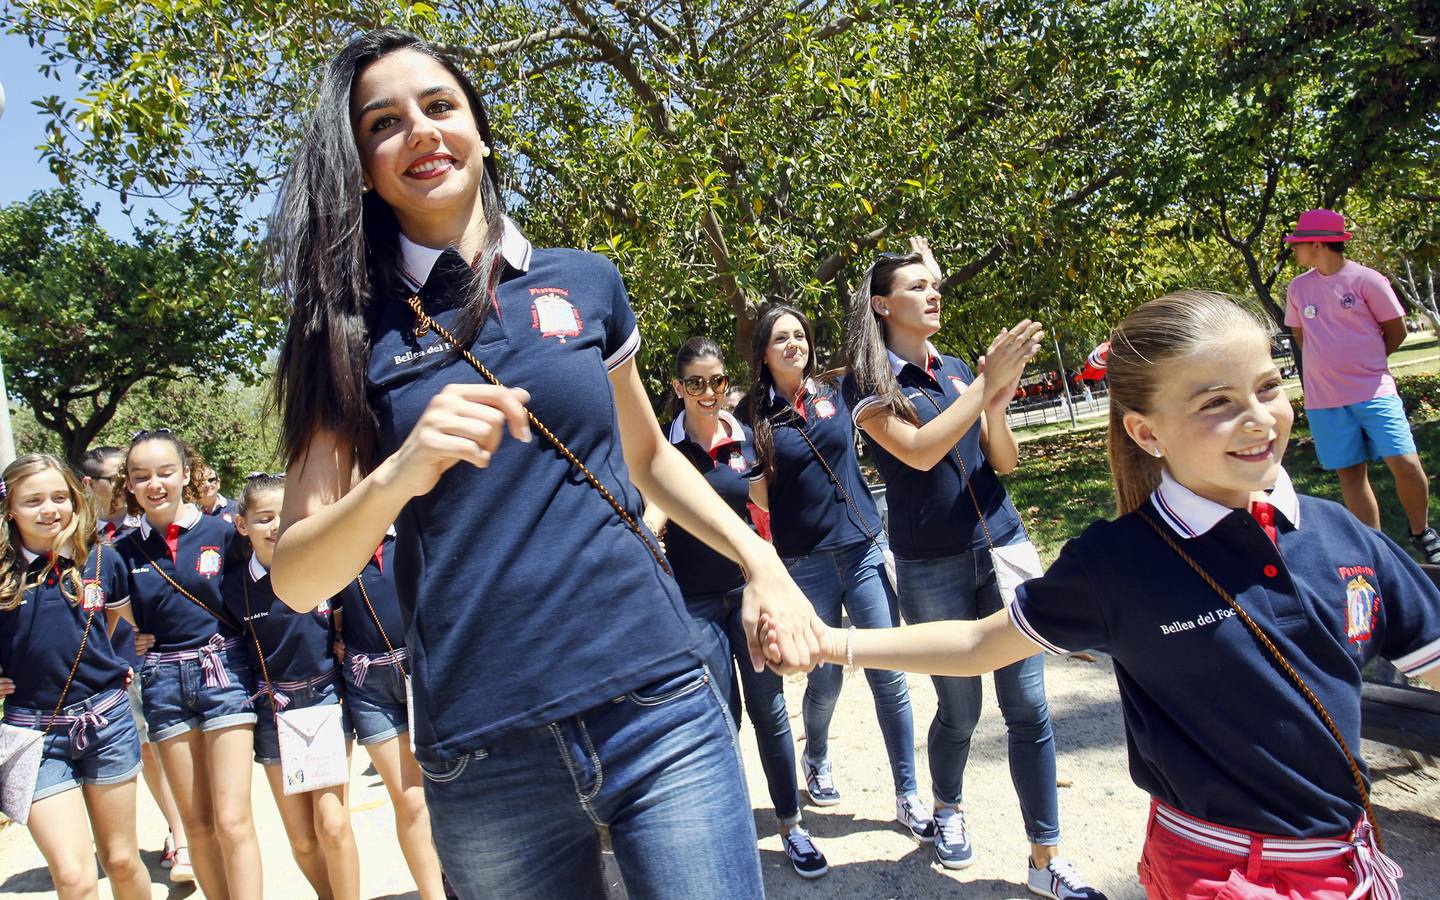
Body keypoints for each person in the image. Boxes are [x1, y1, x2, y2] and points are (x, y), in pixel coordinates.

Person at [265, 28, 821, 899]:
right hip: (482, 750)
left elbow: (648, 457)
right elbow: (298, 576)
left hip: (657, 700)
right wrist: (401, 470)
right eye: (384, 123)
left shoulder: (586, 281)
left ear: (480, 132)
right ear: (362, 164)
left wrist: (763, 564)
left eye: (440, 106)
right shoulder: (342, 333)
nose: (419, 130)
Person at [765, 290, 1440, 899]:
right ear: (1146, 431)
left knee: (1028, 713)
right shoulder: (1118, 562)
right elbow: (976, 641)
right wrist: (831, 643)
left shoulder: (1344, 537)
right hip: (1218, 874)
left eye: (1268, 385)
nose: (1260, 419)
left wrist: (991, 400)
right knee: (973, 713)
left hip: (1353, 865)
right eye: (1218, 403)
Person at [840, 238, 1103, 898]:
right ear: (882, 304)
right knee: (958, 708)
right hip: (931, 564)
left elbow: (1003, 461)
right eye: (917, 286)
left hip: (1002, 546)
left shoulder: (955, 367)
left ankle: (1046, 858)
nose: (934, 293)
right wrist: (988, 382)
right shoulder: (867, 386)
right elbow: (923, 452)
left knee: (1028, 708)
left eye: (936, 284)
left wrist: (994, 405)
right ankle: (948, 810)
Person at [739, 302, 933, 841]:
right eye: (781, 338)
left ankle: (907, 794)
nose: (794, 344)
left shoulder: (839, 392)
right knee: (822, 677)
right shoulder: (751, 416)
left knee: (887, 674)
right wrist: (766, 567)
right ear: (763, 352)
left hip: (863, 547)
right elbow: (757, 502)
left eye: (799, 335)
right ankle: (817, 757)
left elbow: (874, 337)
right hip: (806, 564)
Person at [643, 336, 828, 879]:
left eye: (718, 381)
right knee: (721, 716)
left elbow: (760, 509)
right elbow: (657, 506)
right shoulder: (664, 449)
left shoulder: (745, 438)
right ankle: (728, 827)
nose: (708, 392)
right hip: (695, 601)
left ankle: (793, 826)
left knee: (770, 710)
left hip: (749, 594)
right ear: (678, 388)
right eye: (695, 382)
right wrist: (650, 533)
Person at [111, 430, 264, 900]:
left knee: (233, 819)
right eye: (141, 477)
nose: (154, 484)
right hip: (162, 684)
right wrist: (128, 642)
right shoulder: (119, 551)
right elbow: (117, 624)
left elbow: (255, 595)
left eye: (165, 472)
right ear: (129, 486)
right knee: (196, 825)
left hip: (224, 672)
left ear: (185, 474)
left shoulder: (223, 532)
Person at [0, 454, 150, 900]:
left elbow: (125, 624)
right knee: (73, 877)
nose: (50, 509)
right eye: (34, 501)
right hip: (34, 734)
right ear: (10, 509)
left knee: (121, 861)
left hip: (107, 723)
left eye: (59, 497)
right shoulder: (4, 574)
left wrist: (118, 661)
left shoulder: (102, 560)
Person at [224, 473, 360, 900]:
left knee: (333, 825)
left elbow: (345, 620)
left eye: (285, 515)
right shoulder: (231, 586)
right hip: (272, 711)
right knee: (303, 839)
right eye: (265, 517)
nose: (276, 526)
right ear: (242, 524)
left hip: (323, 699)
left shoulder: (322, 565)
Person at [1283, 208, 1440, 564]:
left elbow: (1395, 330)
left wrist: (1366, 363)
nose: (1296, 250)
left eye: (1299, 244)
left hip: (1374, 392)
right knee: (1351, 473)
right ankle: (1377, 549)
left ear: (1318, 244)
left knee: (1406, 462)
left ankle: (1421, 532)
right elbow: (1301, 335)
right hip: (1325, 401)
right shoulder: (1299, 287)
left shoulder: (1368, 281)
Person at [81, 444, 193, 882]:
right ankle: (178, 829)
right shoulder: (84, 539)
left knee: (175, 747)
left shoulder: (147, 528)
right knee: (148, 751)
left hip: (164, 657)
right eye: (121, 478)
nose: (137, 486)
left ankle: (186, 836)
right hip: (119, 666)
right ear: (94, 485)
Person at [331, 524, 447, 899]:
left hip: (426, 671)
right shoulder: (338, 544)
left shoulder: (417, 527)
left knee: (448, 787)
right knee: (411, 800)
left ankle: (462, 880)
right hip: (369, 684)